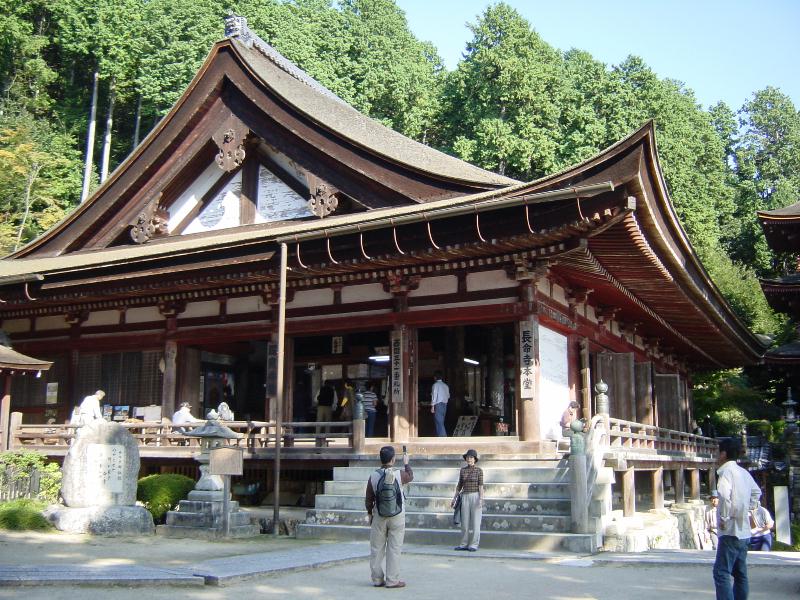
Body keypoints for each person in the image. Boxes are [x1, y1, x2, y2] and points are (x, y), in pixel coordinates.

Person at [713, 437, 762, 600]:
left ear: (723, 454)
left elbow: (724, 496)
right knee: (740, 573)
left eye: (718, 452)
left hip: (730, 530)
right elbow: (756, 492)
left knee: (721, 572)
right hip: (744, 530)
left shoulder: (726, 473)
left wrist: (724, 517)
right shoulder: (744, 472)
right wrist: (747, 508)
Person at [365, 445, 413, 588]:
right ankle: (392, 580)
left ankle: (377, 579)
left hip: (379, 515)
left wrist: (369, 513)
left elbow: (369, 498)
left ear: (380, 459)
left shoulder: (374, 476)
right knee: (394, 548)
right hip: (397, 515)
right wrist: (406, 463)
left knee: (376, 548)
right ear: (393, 459)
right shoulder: (399, 474)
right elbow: (410, 476)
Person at [452, 448, 484, 552]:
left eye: (471, 457)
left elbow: (481, 486)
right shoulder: (463, 470)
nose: (469, 459)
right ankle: (464, 544)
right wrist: (454, 498)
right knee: (464, 522)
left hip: (475, 496)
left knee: (476, 522)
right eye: (467, 457)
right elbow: (459, 485)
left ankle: (474, 544)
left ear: (475, 459)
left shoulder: (479, 471)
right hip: (465, 496)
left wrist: (481, 498)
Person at [430, 371, 450, 437]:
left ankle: (444, 438)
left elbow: (434, 396)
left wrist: (432, 406)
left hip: (438, 405)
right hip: (445, 405)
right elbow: (448, 396)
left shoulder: (435, 385)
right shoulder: (446, 385)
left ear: (435, 377)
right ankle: (439, 437)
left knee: (439, 422)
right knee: (440, 422)